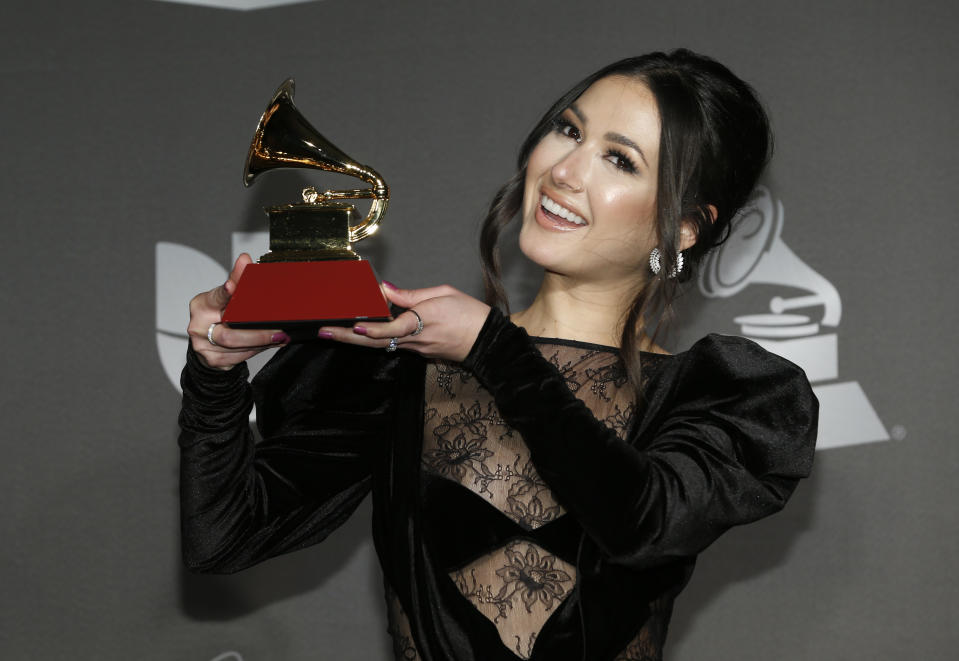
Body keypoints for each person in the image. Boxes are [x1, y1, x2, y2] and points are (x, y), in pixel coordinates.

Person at [179, 49, 818, 661]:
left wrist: (494, 351)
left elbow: (640, 521)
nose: (565, 171)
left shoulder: (724, 396)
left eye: (619, 161)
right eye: (568, 130)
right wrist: (215, 377)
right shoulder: (403, 365)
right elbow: (224, 536)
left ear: (683, 226)